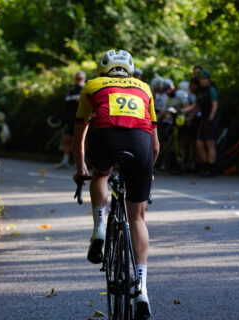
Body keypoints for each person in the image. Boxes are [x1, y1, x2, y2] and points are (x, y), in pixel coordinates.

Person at [72, 49, 159, 318]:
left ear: (103, 70)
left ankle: (99, 227)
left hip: (106, 140)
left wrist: (80, 168)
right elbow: (155, 144)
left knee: (101, 174)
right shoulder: (144, 88)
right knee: (138, 218)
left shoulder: (92, 86)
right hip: (141, 146)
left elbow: (79, 137)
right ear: (129, 71)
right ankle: (141, 289)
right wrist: (148, 171)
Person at [183, 70, 219, 177]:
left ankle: (211, 168)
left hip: (211, 118)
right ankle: (205, 165)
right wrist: (184, 112)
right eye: (201, 79)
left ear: (208, 79)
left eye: (204, 79)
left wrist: (211, 118)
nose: (203, 81)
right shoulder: (200, 91)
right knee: (199, 143)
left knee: (210, 143)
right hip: (203, 119)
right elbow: (195, 106)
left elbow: (215, 105)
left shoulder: (211, 89)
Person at [55, 71, 86, 169]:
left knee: (81, 141)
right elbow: (66, 101)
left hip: (83, 118)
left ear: (84, 79)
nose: (78, 80)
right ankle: (65, 160)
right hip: (71, 118)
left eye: (80, 78)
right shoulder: (72, 90)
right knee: (67, 138)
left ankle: (80, 162)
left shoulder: (86, 89)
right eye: (77, 78)